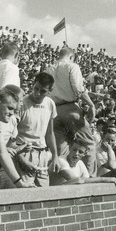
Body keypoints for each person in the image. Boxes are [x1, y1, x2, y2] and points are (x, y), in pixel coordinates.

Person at [0, 73, 59, 188]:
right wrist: (20, 158)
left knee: (44, 193)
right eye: (36, 88)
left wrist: (55, 156)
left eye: (43, 91)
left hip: (42, 155)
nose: (37, 93)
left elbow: (50, 133)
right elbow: (11, 135)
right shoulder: (22, 104)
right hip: (25, 153)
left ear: (50, 91)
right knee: (25, 193)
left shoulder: (50, 104)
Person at [46, 47, 97, 175]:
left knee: (62, 149)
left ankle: (63, 178)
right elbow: (78, 88)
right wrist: (91, 104)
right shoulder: (72, 66)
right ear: (71, 57)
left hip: (54, 111)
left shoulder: (49, 68)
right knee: (89, 144)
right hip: (70, 109)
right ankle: (90, 179)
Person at [50, 138, 116, 187]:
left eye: (80, 152)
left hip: (72, 194)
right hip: (57, 195)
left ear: (84, 154)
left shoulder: (80, 163)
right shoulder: (61, 160)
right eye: (74, 150)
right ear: (70, 148)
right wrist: (108, 179)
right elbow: (76, 180)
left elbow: (87, 181)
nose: (76, 154)